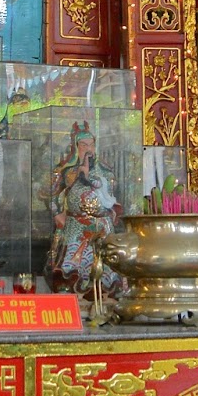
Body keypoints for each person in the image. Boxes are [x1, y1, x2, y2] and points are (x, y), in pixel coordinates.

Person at [45, 120, 123, 299]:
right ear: (75, 147)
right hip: (76, 224)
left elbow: (111, 193)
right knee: (72, 262)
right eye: (83, 145)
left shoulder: (105, 171)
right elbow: (51, 194)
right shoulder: (66, 171)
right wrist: (57, 214)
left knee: (106, 261)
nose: (88, 149)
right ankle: (72, 292)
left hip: (102, 223)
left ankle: (105, 293)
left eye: (91, 144)